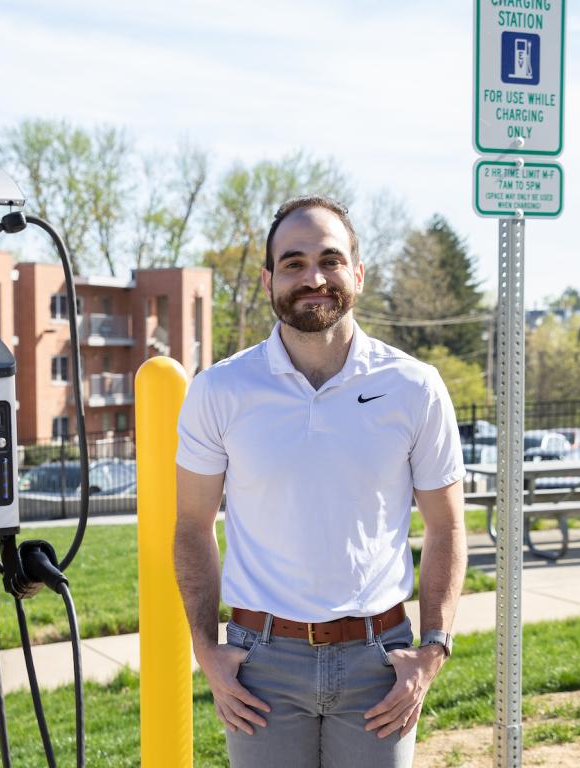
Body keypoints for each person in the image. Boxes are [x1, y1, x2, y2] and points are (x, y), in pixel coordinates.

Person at [174, 196, 467, 767]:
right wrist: (206, 650)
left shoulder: (415, 386)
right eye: (293, 262)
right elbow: (191, 525)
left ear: (356, 274)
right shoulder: (219, 390)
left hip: (377, 664)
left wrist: (433, 647)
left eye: (330, 260)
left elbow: (447, 526)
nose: (314, 277)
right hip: (260, 669)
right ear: (268, 280)